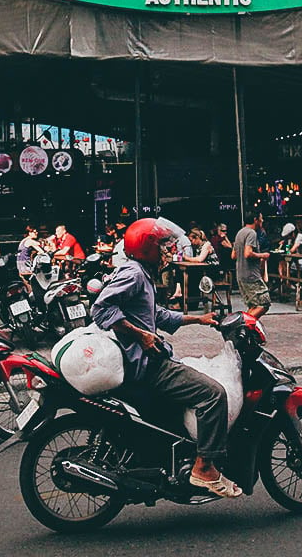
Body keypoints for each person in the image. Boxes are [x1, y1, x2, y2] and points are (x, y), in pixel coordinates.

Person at [90, 218, 239, 497]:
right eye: (162, 246)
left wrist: (199, 319)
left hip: (150, 359)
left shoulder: (141, 275)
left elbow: (156, 315)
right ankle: (204, 467)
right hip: (148, 365)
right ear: (148, 249)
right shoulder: (133, 274)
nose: (168, 251)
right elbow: (101, 309)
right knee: (214, 394)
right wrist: (140, 336)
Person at [233, 212, 271, 318]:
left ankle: (246, 329)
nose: (262, 221)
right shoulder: (251, 233)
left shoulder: (240, 233)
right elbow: (247, 253)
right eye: (261, 218)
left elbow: (233, 255)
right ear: (255, 220)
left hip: (241, 274)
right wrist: (262, 255)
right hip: (251, 276)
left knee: (253, 305)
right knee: (264, 303)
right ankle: (243, 325)